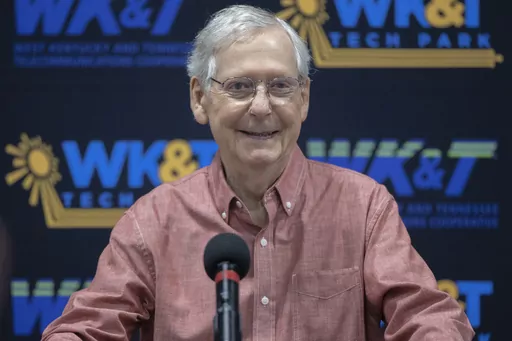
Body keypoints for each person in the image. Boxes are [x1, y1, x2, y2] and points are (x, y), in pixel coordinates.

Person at [41, 5, 474, 341]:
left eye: (281, 86)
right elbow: (85, 328)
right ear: (199, 98)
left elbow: (428, 317)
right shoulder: (152, 222)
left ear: (303, 99)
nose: (262, 106)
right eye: (240, 86)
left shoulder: (363, 208)